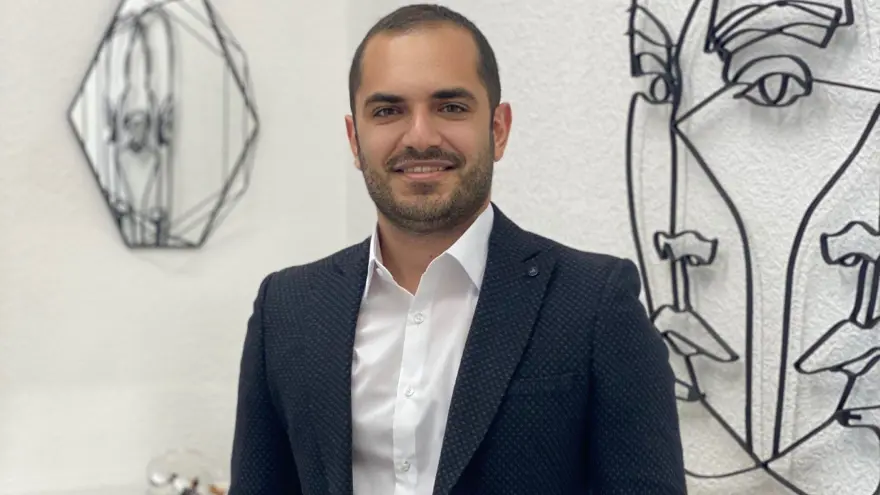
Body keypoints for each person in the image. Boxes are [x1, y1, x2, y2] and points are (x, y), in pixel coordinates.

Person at [228, 3, 686, 494]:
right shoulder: (287, 308)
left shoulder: (594, 303)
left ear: (498, 129)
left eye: (450, 107)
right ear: (354, 140)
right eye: (387, 111)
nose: (420, 137)